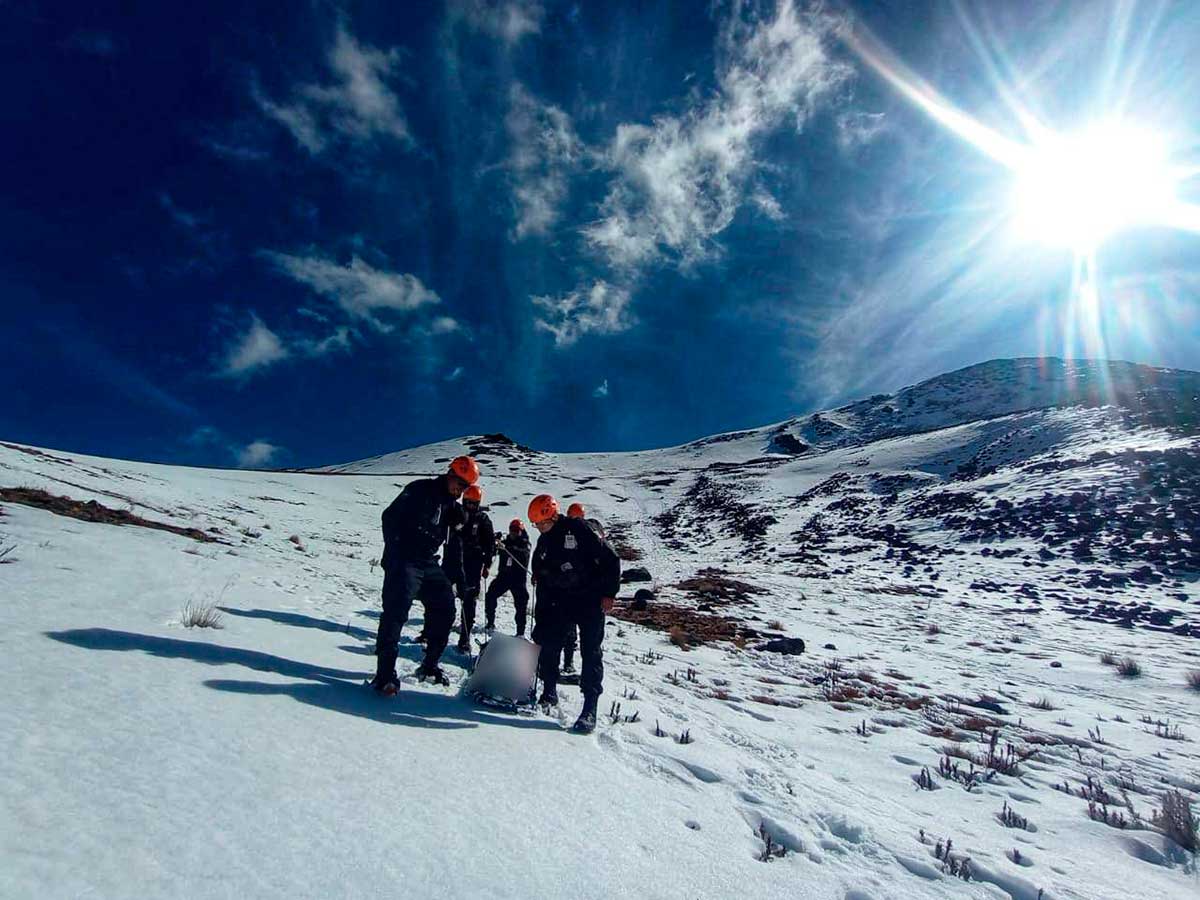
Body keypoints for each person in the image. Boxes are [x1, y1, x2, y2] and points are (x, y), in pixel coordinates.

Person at [371, 456, 480, 695]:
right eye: (459, 484)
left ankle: (430, 665)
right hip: (404, 558)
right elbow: (389, 518)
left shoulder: (452, 507)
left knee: (446, 607)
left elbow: (455, 548)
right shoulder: (420, 489)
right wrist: (395, 553)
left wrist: (459, 578)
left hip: (428, 562)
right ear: (449, 474)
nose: (460, 490)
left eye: (464, 487)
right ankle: (385, 673)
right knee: (396, 610)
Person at [528, 494, 621, 734]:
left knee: (590, 651)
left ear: (552, 515)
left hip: (590, 599)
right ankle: (549, 691)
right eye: (536, 525)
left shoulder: (579, 529)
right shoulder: (545, 541)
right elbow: (538, 567)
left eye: (542, 523)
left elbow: (611, 559)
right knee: (550, 643)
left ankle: (590, 707)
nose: (539, 528)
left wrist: (609, 593)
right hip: (561, 599)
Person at [443, 484, 495, 653]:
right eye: (468, 502)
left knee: (469, 602)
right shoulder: (454, 512)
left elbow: (490, 544)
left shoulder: (483, 519)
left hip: (472, 566)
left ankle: (464, 639)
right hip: (451, 561)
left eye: (474, 503)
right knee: (440, 597)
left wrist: (487, 564)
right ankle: (430, 632)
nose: (471, 506)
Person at [484, 518, 531, 636]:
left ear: (521, 531)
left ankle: (520, 632)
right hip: (504, 577)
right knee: (490, 595)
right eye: (512, 530)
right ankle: (490, 623)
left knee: (521, 605)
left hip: (518, 580)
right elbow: (495, 550)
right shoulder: (507, 541)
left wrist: (506, 548)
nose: (514, 533)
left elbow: (522, 553)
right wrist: (494, 541)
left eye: (516, 530)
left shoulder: (525, 543)